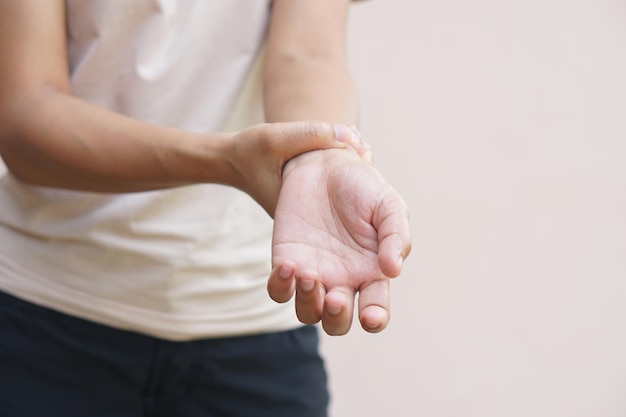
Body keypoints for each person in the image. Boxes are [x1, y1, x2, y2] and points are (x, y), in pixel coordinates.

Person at [0, 1, 411, 416]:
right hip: (46, 318)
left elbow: (308, 52)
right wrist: (224, 160)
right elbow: (25, 115)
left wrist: (322, 158)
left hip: (254, 330)